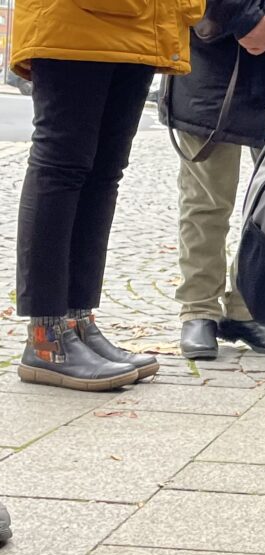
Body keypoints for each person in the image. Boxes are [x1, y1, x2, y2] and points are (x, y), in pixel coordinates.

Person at [9, 0, 200, 391]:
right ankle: (46, 338)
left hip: (142, 25)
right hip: (75, 19)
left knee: (103, 173)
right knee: (61, 167)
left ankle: (77, 322)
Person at [162, 0, 265, 360]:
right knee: (206, 200)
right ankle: (199, 308)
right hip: (210, 55)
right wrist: (247, 19)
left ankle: (247, 308)